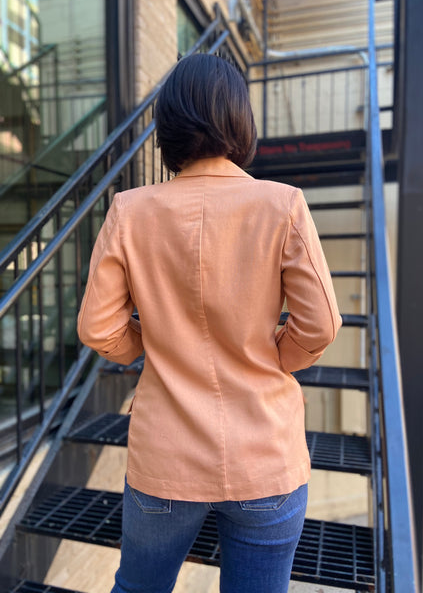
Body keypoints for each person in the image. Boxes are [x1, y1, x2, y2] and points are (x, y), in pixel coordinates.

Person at [77, 53, 342, 593]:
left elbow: (98, 328)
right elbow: (321, 327)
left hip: (165, 455)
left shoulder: (129, 211)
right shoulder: (283, 205)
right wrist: (276, 355)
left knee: (136, 588)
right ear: (240, 120)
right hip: (265, 454)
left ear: (167, 127)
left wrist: (151, 343)